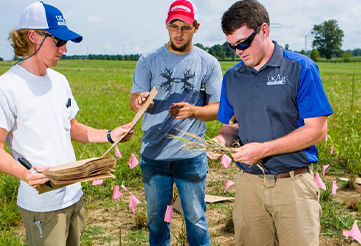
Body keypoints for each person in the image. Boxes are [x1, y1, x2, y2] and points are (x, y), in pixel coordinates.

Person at [0, 2, 133, 246]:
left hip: (74, 195)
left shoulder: (59, 81)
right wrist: (24, 174)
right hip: (42, 203)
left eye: (66, 43)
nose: (65, 49)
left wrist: (109, 135)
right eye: (59, 42)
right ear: (33, 36)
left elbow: (72, 127)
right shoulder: (3, 88)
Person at [211, 0, 333, 245]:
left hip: (293, 185)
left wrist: (263, 150)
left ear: (264, 30)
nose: (239, 51)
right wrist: (218, 142)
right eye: (233, 46)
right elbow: (230, 128)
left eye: (244, 43)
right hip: (248, 186)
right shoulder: (233, 78)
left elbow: (317, 131)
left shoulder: (301, 68)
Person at [129, 0, 222, 245]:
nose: (178, 33)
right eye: (174, 26)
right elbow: (134, 100)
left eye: (185, 27)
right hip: (154, 156)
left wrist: (193, 111)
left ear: (196, 27)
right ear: (166, 25)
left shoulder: (208, 63)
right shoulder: (148, 60)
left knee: (195, 219)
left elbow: (218, 109)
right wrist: (140, 101)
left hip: (190, 157)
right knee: (157, 221)